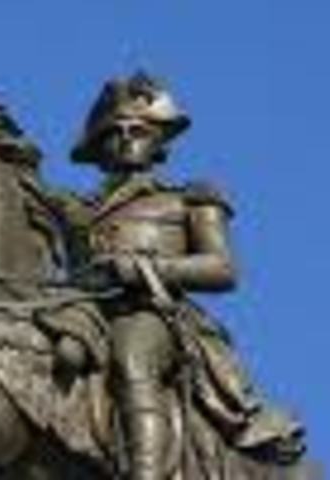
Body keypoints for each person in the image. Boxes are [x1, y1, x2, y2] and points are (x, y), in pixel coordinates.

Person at [69, 72, 304, 479]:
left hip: (150, 311)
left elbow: (222, 269)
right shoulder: (80, 212)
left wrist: (142, 269)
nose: (126, 138)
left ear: (159, 141)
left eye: (139, 130)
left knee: (132, 356)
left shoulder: (190, 198)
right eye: (114, 132)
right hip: (82, 311)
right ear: (99, 148)